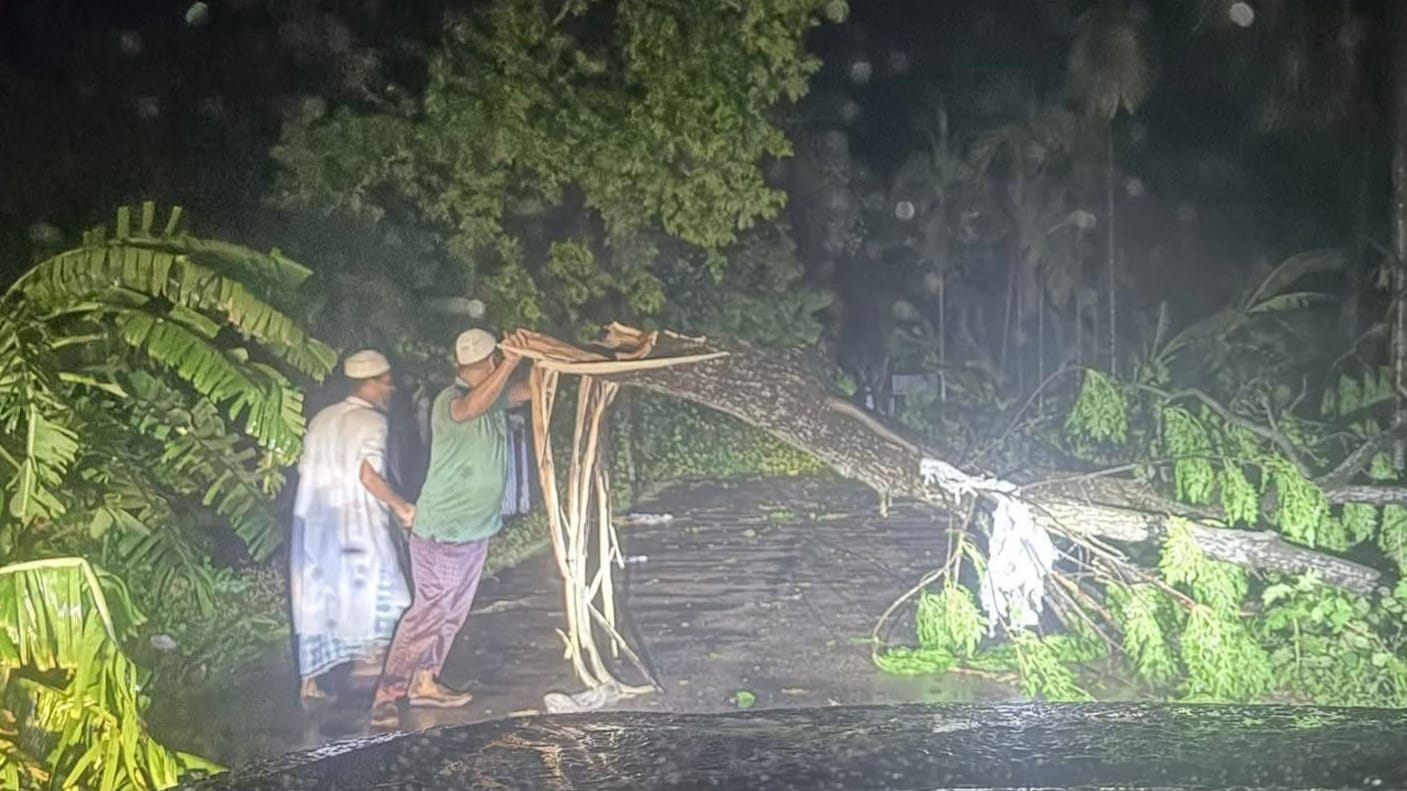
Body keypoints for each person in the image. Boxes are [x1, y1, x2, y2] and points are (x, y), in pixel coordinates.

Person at [371, 328, 531, 725]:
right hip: (443, 533)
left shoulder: (492, 397)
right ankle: (387, 694)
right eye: (495, 361)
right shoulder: (451, 400)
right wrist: (511, 361)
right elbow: (471, 408)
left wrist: (540, 357)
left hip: (474, 532)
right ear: (484, 364)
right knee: (428, 614)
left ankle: (424, 682)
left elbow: (528, 391)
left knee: (451, 614)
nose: (498, 367)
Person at [289, 350, 415, 704]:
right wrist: (402, 508)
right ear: (371, 385)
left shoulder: (322, 418)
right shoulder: (373, 423)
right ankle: (373, 680)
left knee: (318, 597)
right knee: (376, 596)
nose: (390, 390)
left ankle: (309, 682)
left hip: (313, 523)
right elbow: (367, 475)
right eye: (387, 383)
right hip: (355, 525)